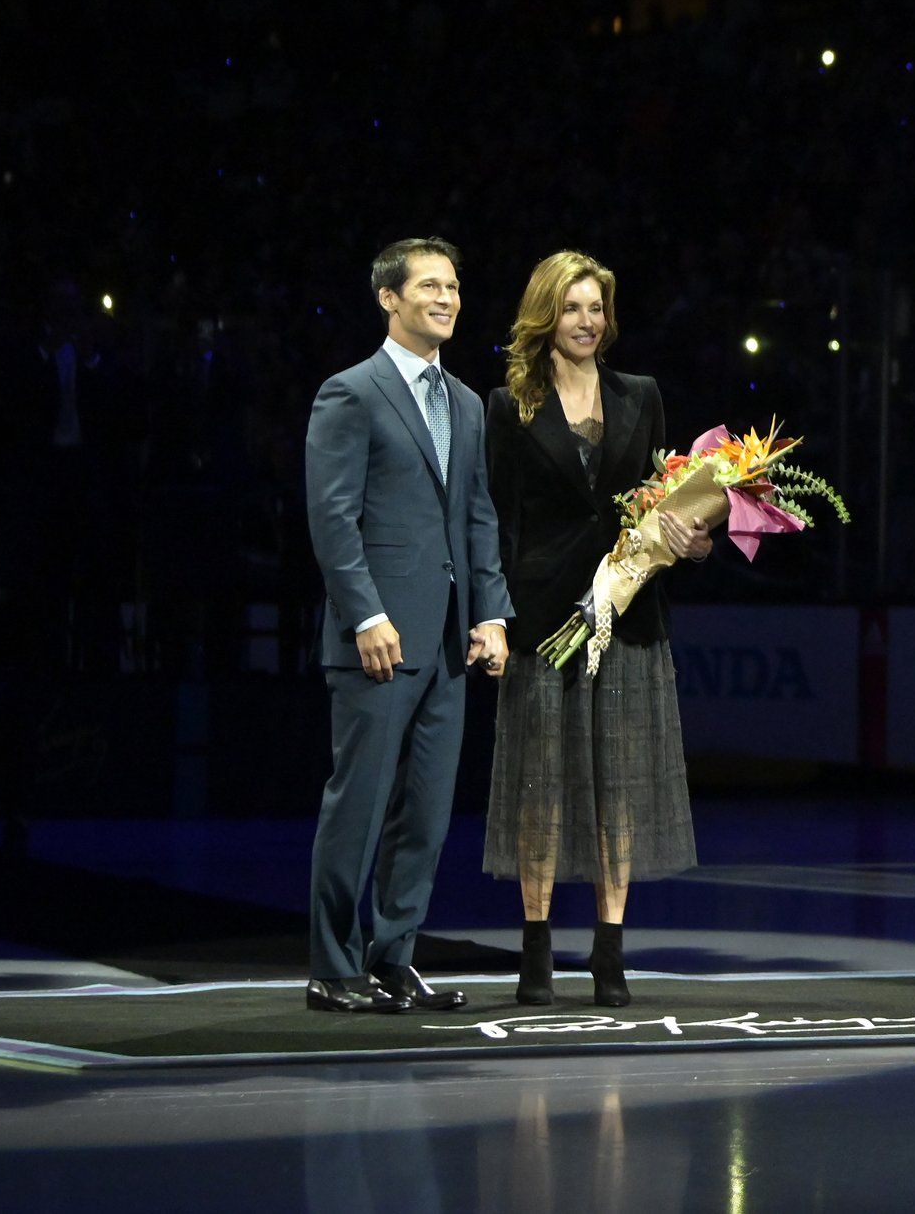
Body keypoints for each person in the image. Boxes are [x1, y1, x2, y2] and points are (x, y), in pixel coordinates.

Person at [483, 250, 707, 1007]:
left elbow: (663, 502)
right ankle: (537, 951)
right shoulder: (506, 405)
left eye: (598, 309)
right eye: (575, 307)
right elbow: (495, 521)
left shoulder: (641, 395)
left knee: (621, 788)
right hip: (543, 618)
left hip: (629, 613)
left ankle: (608, 953)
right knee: (540, 787)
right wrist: (496, 613)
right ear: (547, 313)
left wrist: (692, 537)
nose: (589, 321)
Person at [301, 238, 514, 1014]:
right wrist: (365, 613)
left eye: (453, 286)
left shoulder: (464, 400)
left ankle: (395, 958)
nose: (447, 298)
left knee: (425, 811)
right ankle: (332, 965)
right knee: (358, 805)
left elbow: (479, 516)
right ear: (389, 298)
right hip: (380, 638)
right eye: (429, 285)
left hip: (451, 642)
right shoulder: (350, 393)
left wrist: (490, 613)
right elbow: (332, 517)